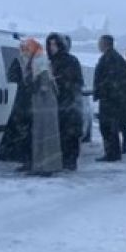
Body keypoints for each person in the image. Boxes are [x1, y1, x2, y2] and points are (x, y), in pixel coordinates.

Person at [46, 33, 84, 171]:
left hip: (70, 103)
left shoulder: (71, 61)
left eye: (54, 44)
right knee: (61, 134)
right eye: (49, 44)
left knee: (70, 134)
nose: (51, 48)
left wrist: (60, 81)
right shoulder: (51, 62)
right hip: (57, 103)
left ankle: (70, 160)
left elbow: (76, 82)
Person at [0, 39, 37, 169]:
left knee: (28, 132)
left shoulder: (38, 63)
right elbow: (11, 76)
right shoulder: (19, 61)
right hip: (22, 100)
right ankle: (20, 157)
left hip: (32, 102)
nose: (25, 52)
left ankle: (27, 159)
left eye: (27, 49)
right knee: (20, 130)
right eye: (23, 49)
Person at [27, 39, 63, 175]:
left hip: (44, 105)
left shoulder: (40, 63)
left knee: (45, 135)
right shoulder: (39, 61)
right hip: (42, 105)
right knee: (42, 135)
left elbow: (43, 86)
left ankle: (46, 167)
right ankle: (42, 166)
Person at [93, 34, 126, 162]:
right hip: (112, 99)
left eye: (100, 43)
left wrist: (103, 91)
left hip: (110, 100)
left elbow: (112, 80)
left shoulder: (111, 58)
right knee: (109, 127)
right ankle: (112, 152)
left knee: (108, 127)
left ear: (105, 44)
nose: (98, 45)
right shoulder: (113, 57)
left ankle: (112, 153)